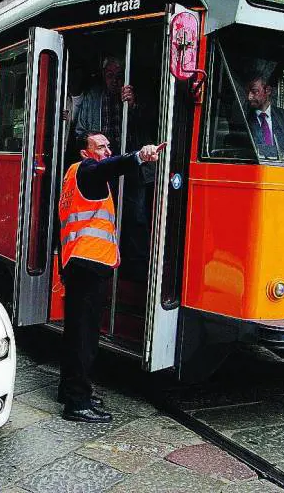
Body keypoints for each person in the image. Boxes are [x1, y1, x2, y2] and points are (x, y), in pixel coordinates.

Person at [57, 132, 164, 423]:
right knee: (85, 338)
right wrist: (140, 156)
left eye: (108, 146)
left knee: (76, 333)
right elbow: (110, 167)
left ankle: (70, 391)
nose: (106, 150)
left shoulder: (72, 175)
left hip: (78, 262)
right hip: (89, 264)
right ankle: (77, 403)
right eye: (100, 146)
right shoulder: (89, 171)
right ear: (84, 152)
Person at [71, 56, 140, 155]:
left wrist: (132, 105)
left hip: (127, 155)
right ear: (103, 75)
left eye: (119, 76)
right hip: (99, 158)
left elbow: (142, 128)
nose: (114, 81)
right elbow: (80, 133)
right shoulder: (92, 97)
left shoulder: (132, 96)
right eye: (110, 75)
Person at [246, 76, 284, 152]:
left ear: (268, 90)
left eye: (254, 91)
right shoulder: (243, 117)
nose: (249, 97)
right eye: (247, 92)